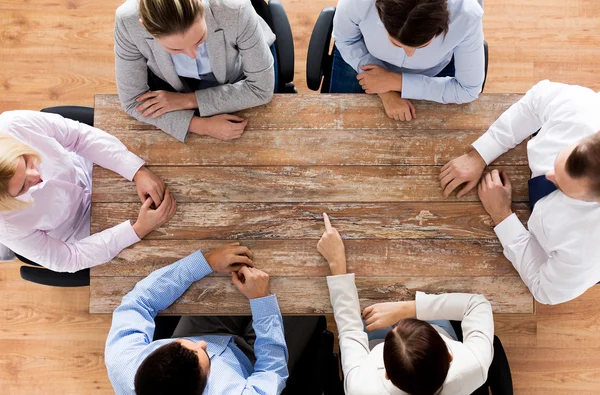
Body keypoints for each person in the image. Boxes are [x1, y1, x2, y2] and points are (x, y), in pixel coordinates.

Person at [440, 80, 600, 305]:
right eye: (557, 163)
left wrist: (502, 217)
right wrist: (481, 153)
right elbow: (536, 102)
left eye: (565, 187)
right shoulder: (582, 107)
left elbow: (545, 291)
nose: (550, 176)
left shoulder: (588, 250)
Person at [105, 242, 319, 395]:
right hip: (254, 364)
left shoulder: (123, 363)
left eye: (185, 345)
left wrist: (205, 262)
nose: (203, 343)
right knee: (309, 293)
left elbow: (138, 302)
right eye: (204, 354)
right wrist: (262, 300)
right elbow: (271, 372)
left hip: (205, 326)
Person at [318, 213, 494, 395]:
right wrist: (406, 309)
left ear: (386, 374)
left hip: (375, 342)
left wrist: (336, 262)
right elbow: (477, 305)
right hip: (419, 337)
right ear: (450, 357)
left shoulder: (362, 387)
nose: (397, 323)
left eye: (396, 327)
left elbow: (350, 331)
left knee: (362, 315)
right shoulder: (473, 365)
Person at [0, 110, 175, 273]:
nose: (37, 175)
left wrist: (136, 170)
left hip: (91, 166)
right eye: (23, 187)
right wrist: (137, 230)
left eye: (27, 161)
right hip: (83, 230)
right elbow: (68, 259)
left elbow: (78, 137)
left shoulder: (14, 125)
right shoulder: (6, 227)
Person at [114, 0, 277, 142]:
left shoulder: (235, 8)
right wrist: (201, 125)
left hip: (235, 74)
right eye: (175, 49)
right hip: (172, 83)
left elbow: (261, 89)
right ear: (145, 28)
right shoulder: (127, 21)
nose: (192, 55)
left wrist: (187, 100)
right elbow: (133, 100)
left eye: (200, 39)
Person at [331, 0, 485, 121]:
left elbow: (468, 89)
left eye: (423, 45)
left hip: (434, 68)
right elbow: (346, 40)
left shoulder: (467, 14)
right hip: (363, 56)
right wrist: (386, 92)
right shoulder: (357, 2)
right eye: (395, 43)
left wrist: (395, 81)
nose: (410, 54)